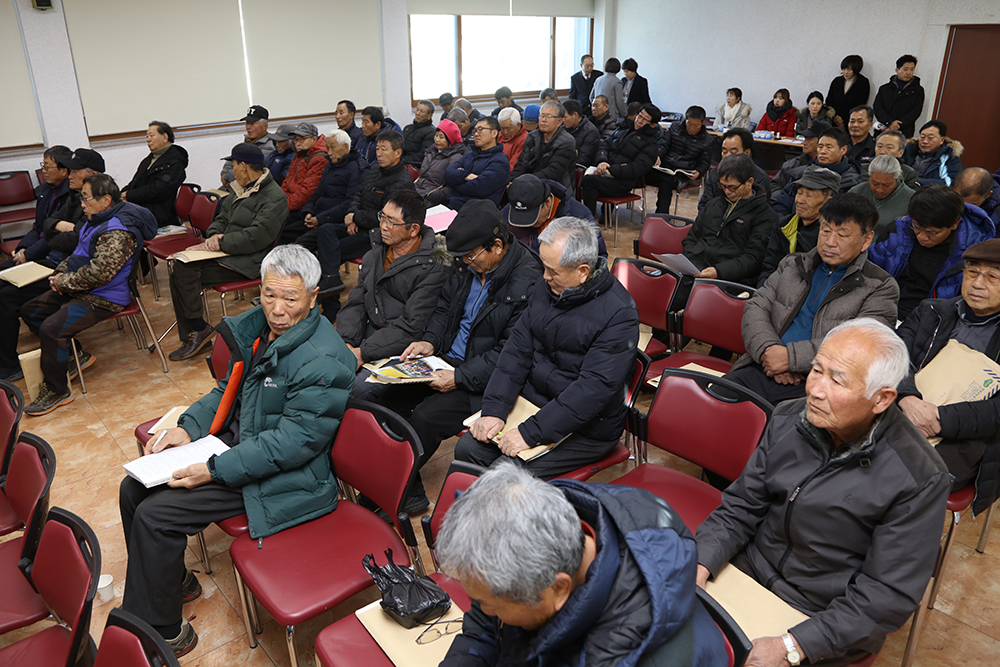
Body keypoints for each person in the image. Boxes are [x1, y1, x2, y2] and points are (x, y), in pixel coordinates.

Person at [119, 245, 356, 657]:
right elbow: (226, 388)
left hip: (286, 477)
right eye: (269, 295)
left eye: (290, 298)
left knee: (158, 516)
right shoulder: (261, 330)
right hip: (241, 446)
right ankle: (171, 582)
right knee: (132, 489)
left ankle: (165, 632)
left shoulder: (323, 359)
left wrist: (213, 469)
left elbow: (292, 444)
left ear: (314, 298)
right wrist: (188, 427)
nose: (277, 309)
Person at [699, 319, 950, 667]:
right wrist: (701, 559)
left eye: (837, 380)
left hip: (821, 614)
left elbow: (884, 596)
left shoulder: (918, 477)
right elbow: (742, 505)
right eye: (817, 370)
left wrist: (793, 644)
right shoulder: (789, 417)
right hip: (749, 572)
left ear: (882, 399)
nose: (816, 389)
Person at [437, 463, 729, 667]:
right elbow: (487, 627)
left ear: (559, 588)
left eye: (492, 604)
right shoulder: (531, 538)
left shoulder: (655, 658)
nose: (484, 608)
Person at [386, 202, 542, 511]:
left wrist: (458, 378)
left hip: (485, 380)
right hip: (446, 360)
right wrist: (430, 342)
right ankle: (401, 481)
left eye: (471, 256)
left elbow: (509, 354)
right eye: (463, 258)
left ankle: (394, 487)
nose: (467, 263)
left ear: (497, 246)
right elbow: (445, 309)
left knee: (427, 416)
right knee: (386, 397)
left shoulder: (527, 281)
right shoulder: (466, 264)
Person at [455, 215, 638, 477]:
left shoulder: (619, 313)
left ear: (583, 271)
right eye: (544, 266)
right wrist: (495, 408)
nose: (544, 276)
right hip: (536, 406)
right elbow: (516, 350)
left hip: (587, 428)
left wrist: (530, 433)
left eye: (552, 271)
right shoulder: (546, 287)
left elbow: (592, 390)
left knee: (507, 474)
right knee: (468, 448)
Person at [727, 193, 897, 403]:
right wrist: (769, 351)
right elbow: (756, 308)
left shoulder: (880, 286)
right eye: (825, 230)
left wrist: (791, 359)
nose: (830, 242)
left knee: (778, 431)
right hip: (763, 365)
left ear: (866, 239)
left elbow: (860, 346)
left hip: (820, 385)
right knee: (710, 408)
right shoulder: (792, 264)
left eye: (842, 235)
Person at [21, 173, 157, 415]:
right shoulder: (95, 220)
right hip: (81, 287)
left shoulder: (118, 231)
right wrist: (59, 275)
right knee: (30, 311)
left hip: (104, 297)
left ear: (106, 200)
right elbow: (77, 254)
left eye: (86, 199)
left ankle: (57, 390)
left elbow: (100, 275)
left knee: (52, 328)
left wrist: (64, 282)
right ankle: (74, 357)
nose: (81, 204)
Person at [897, 238, 1000, 515]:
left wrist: (938, 420)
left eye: (992, 277)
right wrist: (908, 398)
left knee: (900, 476)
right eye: (972, 273)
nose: (978, 284)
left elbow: (995, 412)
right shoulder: (931, 311)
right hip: (903, 408)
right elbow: (892, 358)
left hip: (965, 437)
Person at [168, 144, 287, 361]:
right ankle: (196, 331)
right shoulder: (239, 189)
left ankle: (198, 329)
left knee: (183, 272)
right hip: (227, 253)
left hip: (250, 260)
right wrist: (213, 236)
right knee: (180, 266)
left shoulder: (274, 196)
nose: (231, 171)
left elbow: (257, 236)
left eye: (233, 165)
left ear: (243, 166)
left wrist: (221, 243)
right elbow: (221, 219)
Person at [336, 190, 448, 399]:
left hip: (401, 348)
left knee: (355, 389)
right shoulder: (375, 254)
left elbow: (411, 326)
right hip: (364, 338)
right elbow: (357, 301)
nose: (383, 226)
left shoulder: (432, 267)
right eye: (383, 217)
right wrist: (347, 342)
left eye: (392, 222)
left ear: (413, 229)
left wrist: (363, 353)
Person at [0, 146, 93, 383]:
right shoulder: (73, 196)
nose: (71, 175)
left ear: (90, 173)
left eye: (74, 171)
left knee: (7, 299)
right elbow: (45, 226)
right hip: (51, 260)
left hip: (65, 268)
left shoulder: (93, 202)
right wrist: (29, 246)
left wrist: (56, 233)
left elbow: (73, 239)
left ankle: (9, 365)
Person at [316, 130, 415, 319]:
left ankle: (331, 306)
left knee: (331, 251)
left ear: (397, 153)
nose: (378, 153)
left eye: (384, 149)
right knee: (326, 231)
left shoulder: (401, 181)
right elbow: (359, 194)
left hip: (378, 233)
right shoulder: (376, 169)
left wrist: (356, 218)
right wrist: (352, 213)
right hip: (359, 223)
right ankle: (331, 281)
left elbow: (386, 218)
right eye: (377, 148)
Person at [868, 185, 994, 322]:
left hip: (932, 320)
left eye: (931, 232)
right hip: (884, 308)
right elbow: (871, 269)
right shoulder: (898, 231)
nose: (922, 236)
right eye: (916, 227)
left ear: (954, 224)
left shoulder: (972, 251)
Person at [681, 154, 778, 286]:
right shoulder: (713, 205)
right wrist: (691, 263)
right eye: (723, 186)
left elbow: (753, 258)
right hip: (696, 271)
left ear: (749, 182)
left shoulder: (766, 216)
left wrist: (718, 272)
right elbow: (692, 238)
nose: (727, 191)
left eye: (732, 187)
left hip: (730, 280)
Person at [293, 131, 368, 298]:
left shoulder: (357, 169)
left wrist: (319, 219)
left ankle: (322, 295)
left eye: (333, 148)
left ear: (346, 147)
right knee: (296, 243)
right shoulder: (330, 166)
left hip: (337, 222)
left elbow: (349, 204)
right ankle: (302, 288)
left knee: (319, 250)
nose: (329, 152)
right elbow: (317, 193)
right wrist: (309, 211)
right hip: (320, 219)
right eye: (328, 147)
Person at [757, 166, 840, 287]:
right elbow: (770, 268)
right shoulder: (783, 225)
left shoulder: (834, 236)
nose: (800, 200)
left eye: (809, 195)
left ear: (828, 201)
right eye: (799, 193)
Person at [579, 103, 660, 217]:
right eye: (639, 116)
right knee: (587, 182)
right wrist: (602, 161)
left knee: (589, 181)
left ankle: (588, 219)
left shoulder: (651, 144)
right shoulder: (624, 129)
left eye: (645, 120)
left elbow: (638, 168)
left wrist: (610, 170)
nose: (639, 121)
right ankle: (595, 218)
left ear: (653, 125)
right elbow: (605, 145)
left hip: (622, 182)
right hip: (607, 174)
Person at [503, 174, 607, 258]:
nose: (524, 221)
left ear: (547, 202)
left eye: (531, 215)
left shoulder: (579, 217)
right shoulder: (512, 208)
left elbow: (597, 258)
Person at [4, 145, 73, 270]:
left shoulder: (72, 197)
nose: (44, 171)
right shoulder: (45, 191)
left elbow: (55, 236)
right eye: (43, 166)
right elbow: (38, 227)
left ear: (64, 171)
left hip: (53, 254)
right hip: (36, 247)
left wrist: (28, 254)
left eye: (48, 167)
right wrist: (23, 248)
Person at [773, 128, 862, 217]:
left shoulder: (852, 181)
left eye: (829, 147)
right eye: (820, 147)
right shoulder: (801, 174)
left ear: (843, 149)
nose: (823, 151)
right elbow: (782, 205)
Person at [121, 121, 188, 227]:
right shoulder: (149, 159)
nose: (148, 139)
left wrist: (129, 195)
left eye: (151, 136)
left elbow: (159, 190)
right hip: (141, 207)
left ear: (165, 137)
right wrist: (122, 194)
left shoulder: (175, 163)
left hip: (159, 214)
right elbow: (135, 182)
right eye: (147, 136)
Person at [652, 105, 714, 214]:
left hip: (683, 172)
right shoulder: (675, 128)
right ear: (685, 119)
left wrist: (699, 172)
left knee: (667, 181)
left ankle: (661, 216)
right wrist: (658, 156)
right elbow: (664, 145)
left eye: (696, 125)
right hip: (665, 167)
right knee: (643, 167)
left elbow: (704, 161)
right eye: (689, 123)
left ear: (702, 123)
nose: (692, 128)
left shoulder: (707, 140)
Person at [698, 128, 771, 213]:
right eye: (724, 151)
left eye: (733, 153)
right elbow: (704, 205)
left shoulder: (760, 178)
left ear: (747, 153)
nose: (727, 157)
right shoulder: (715, 173)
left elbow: (758, 214)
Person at [444, 116, 511, 209]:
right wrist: (466, 175)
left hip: (475, 210)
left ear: (494, 133)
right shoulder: (471, 154)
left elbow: (479, 188)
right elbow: (448, 173)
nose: (475, 134)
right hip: (452, 203)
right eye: (475, 130)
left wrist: (455, 184)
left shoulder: (500, 161)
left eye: (480, 130)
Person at [509, 101, 577, 191]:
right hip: (530, 184)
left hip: (556, 188)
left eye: (548, 116)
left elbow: (553, 172)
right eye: (542, 116)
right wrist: (512, 180)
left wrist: (525, 182)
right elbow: (522, 163)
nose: (544, 120)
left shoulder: (567, 141)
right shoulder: (532, 136)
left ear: (559, 121)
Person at [278, 123, 329, 242]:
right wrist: (279, 201)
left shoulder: (320, 158)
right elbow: (286, 182)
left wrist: (283, 206)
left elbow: (307, 193)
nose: (298, 143)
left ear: (314, 139)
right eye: (296, 140)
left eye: (302, 139)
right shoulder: (298, 155)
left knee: (276, 227)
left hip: (304, 209)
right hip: (290, 205)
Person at [848, 154, 915, 236]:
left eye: (886, 185)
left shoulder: (912, 200)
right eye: (874, 183)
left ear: (898, 178)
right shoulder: (856, 192)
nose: (879, 189)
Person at [413, 119, 467, 206]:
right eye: (436, 135)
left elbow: (451, 187)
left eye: (441, 137)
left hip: (432, 198)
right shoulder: (431, 151)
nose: (437, 139)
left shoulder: (455, 158)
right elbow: (422, 176)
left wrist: (431, 195)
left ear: (450, 140)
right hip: (418, 192)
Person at [770, 121, 830, 193]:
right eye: (805, 138)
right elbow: (774, 186)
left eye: (809, 139)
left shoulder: (835, 166)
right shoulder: (791, 165)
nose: (804, 142)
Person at [222, 105, 275, 187]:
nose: (248, 127)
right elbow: (232, 160)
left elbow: (248, 167)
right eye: (247, 123)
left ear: (265, 126)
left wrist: (227, 177)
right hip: (234, 184)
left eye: (252, 124)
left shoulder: (270, 145)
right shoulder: (248, 142)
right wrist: (224, 173)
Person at [873, 54, 925, 138]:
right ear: (897, 70)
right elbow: (877, 107)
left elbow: (916, 111)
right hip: (884, 128)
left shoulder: (918, 90)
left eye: (912, 69)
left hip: (904, 130)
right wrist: (890, 122)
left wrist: (898, 124)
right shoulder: (885, 88)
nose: (909, 72)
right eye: (905, 69)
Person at [902, 119, 963, 186]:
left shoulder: (950, 157)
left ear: (942, 140)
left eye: (930, 138)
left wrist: (917, 182)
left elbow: (953, 182)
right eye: (922, 137)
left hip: (932, 194)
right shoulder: (907, 150)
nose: (925, 141)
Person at [826, 55, 871, 129]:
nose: (845, 72)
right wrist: (836, 117)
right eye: (844, 69)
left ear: (856, 70)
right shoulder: (837, 81)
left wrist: (844, 120)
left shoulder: (863, 83)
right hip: (834, 120)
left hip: (852, 121)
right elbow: (829, 101)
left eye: (849, 70)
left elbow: (860, 104)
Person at [562, 99, 600, 167]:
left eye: (565, 117)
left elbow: (583, 161)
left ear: (575, 115)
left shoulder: (591, 132)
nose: (563, 120)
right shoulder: (564, 128)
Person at [403, 99, 437, 166]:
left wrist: (402, 160)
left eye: (422, 111)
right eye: (417, 110)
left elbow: (422, 155)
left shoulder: (431, 132)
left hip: (415, 165)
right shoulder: (408, 128)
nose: (417, 113)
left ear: (429, 116)